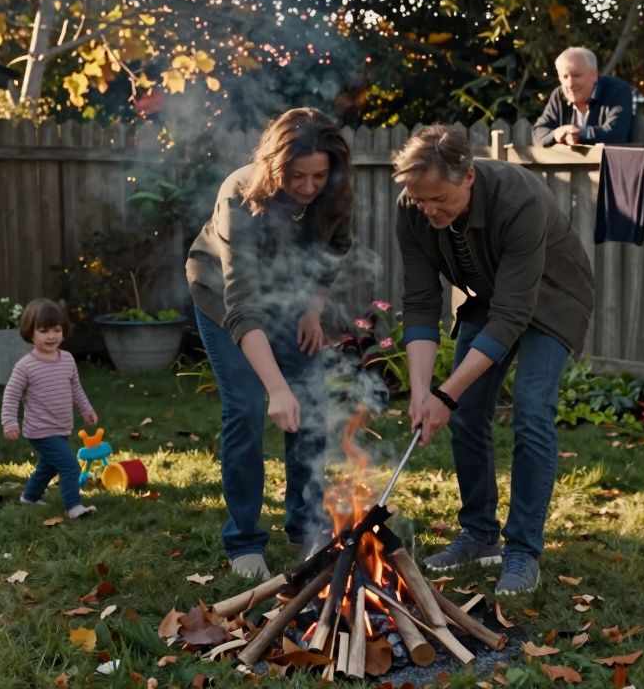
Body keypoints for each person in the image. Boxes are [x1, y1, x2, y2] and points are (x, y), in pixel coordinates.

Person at [393, 125, 594, 594]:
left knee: (531, 410)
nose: (428, 209)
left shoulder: (519, 199)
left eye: (438, 198)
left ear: (468, 177)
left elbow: (512, 316)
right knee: (463, 416)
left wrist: (446, 392)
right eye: (420, 200)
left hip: (553, 297)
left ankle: (522, 550)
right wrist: (424, 392)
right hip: (488, 295)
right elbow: (421, 301)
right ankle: (479, 536)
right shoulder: (413, 207)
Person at [185, 107, 354, 579]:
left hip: (288, 301)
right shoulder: (241, 195)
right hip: (223, 298)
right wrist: (276, 388)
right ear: (276, 167)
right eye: (297, 176)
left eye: (318, 175)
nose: (308, 186)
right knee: (245, 407)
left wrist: (312, 310)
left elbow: (334, 251)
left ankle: (305, 527)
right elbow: (242, 302)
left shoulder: (333, 191)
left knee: (312, 406)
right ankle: (243, 541)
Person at [1, 298, 98, 520]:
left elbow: (76, 389)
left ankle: (30, 497)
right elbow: (11, 395)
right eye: (44, 331)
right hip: (40, 430)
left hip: (62, 427)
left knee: (49, 466)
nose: (52, 336)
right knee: (70, 466)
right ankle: (73, 507)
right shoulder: (25, 366)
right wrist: (9, 422)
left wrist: (86, 409)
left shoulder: (67, 360)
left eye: (56, 330)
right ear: (30, 333)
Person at [532, 46, 634, 147]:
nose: (570, 84)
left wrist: (578, 134)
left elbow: (616, 134)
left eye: (576, 75)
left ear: (594, 74)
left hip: (608, 163)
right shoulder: (559, 96)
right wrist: (556, 134)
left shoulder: (617, 91)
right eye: (565, 76)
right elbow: (538, 133)